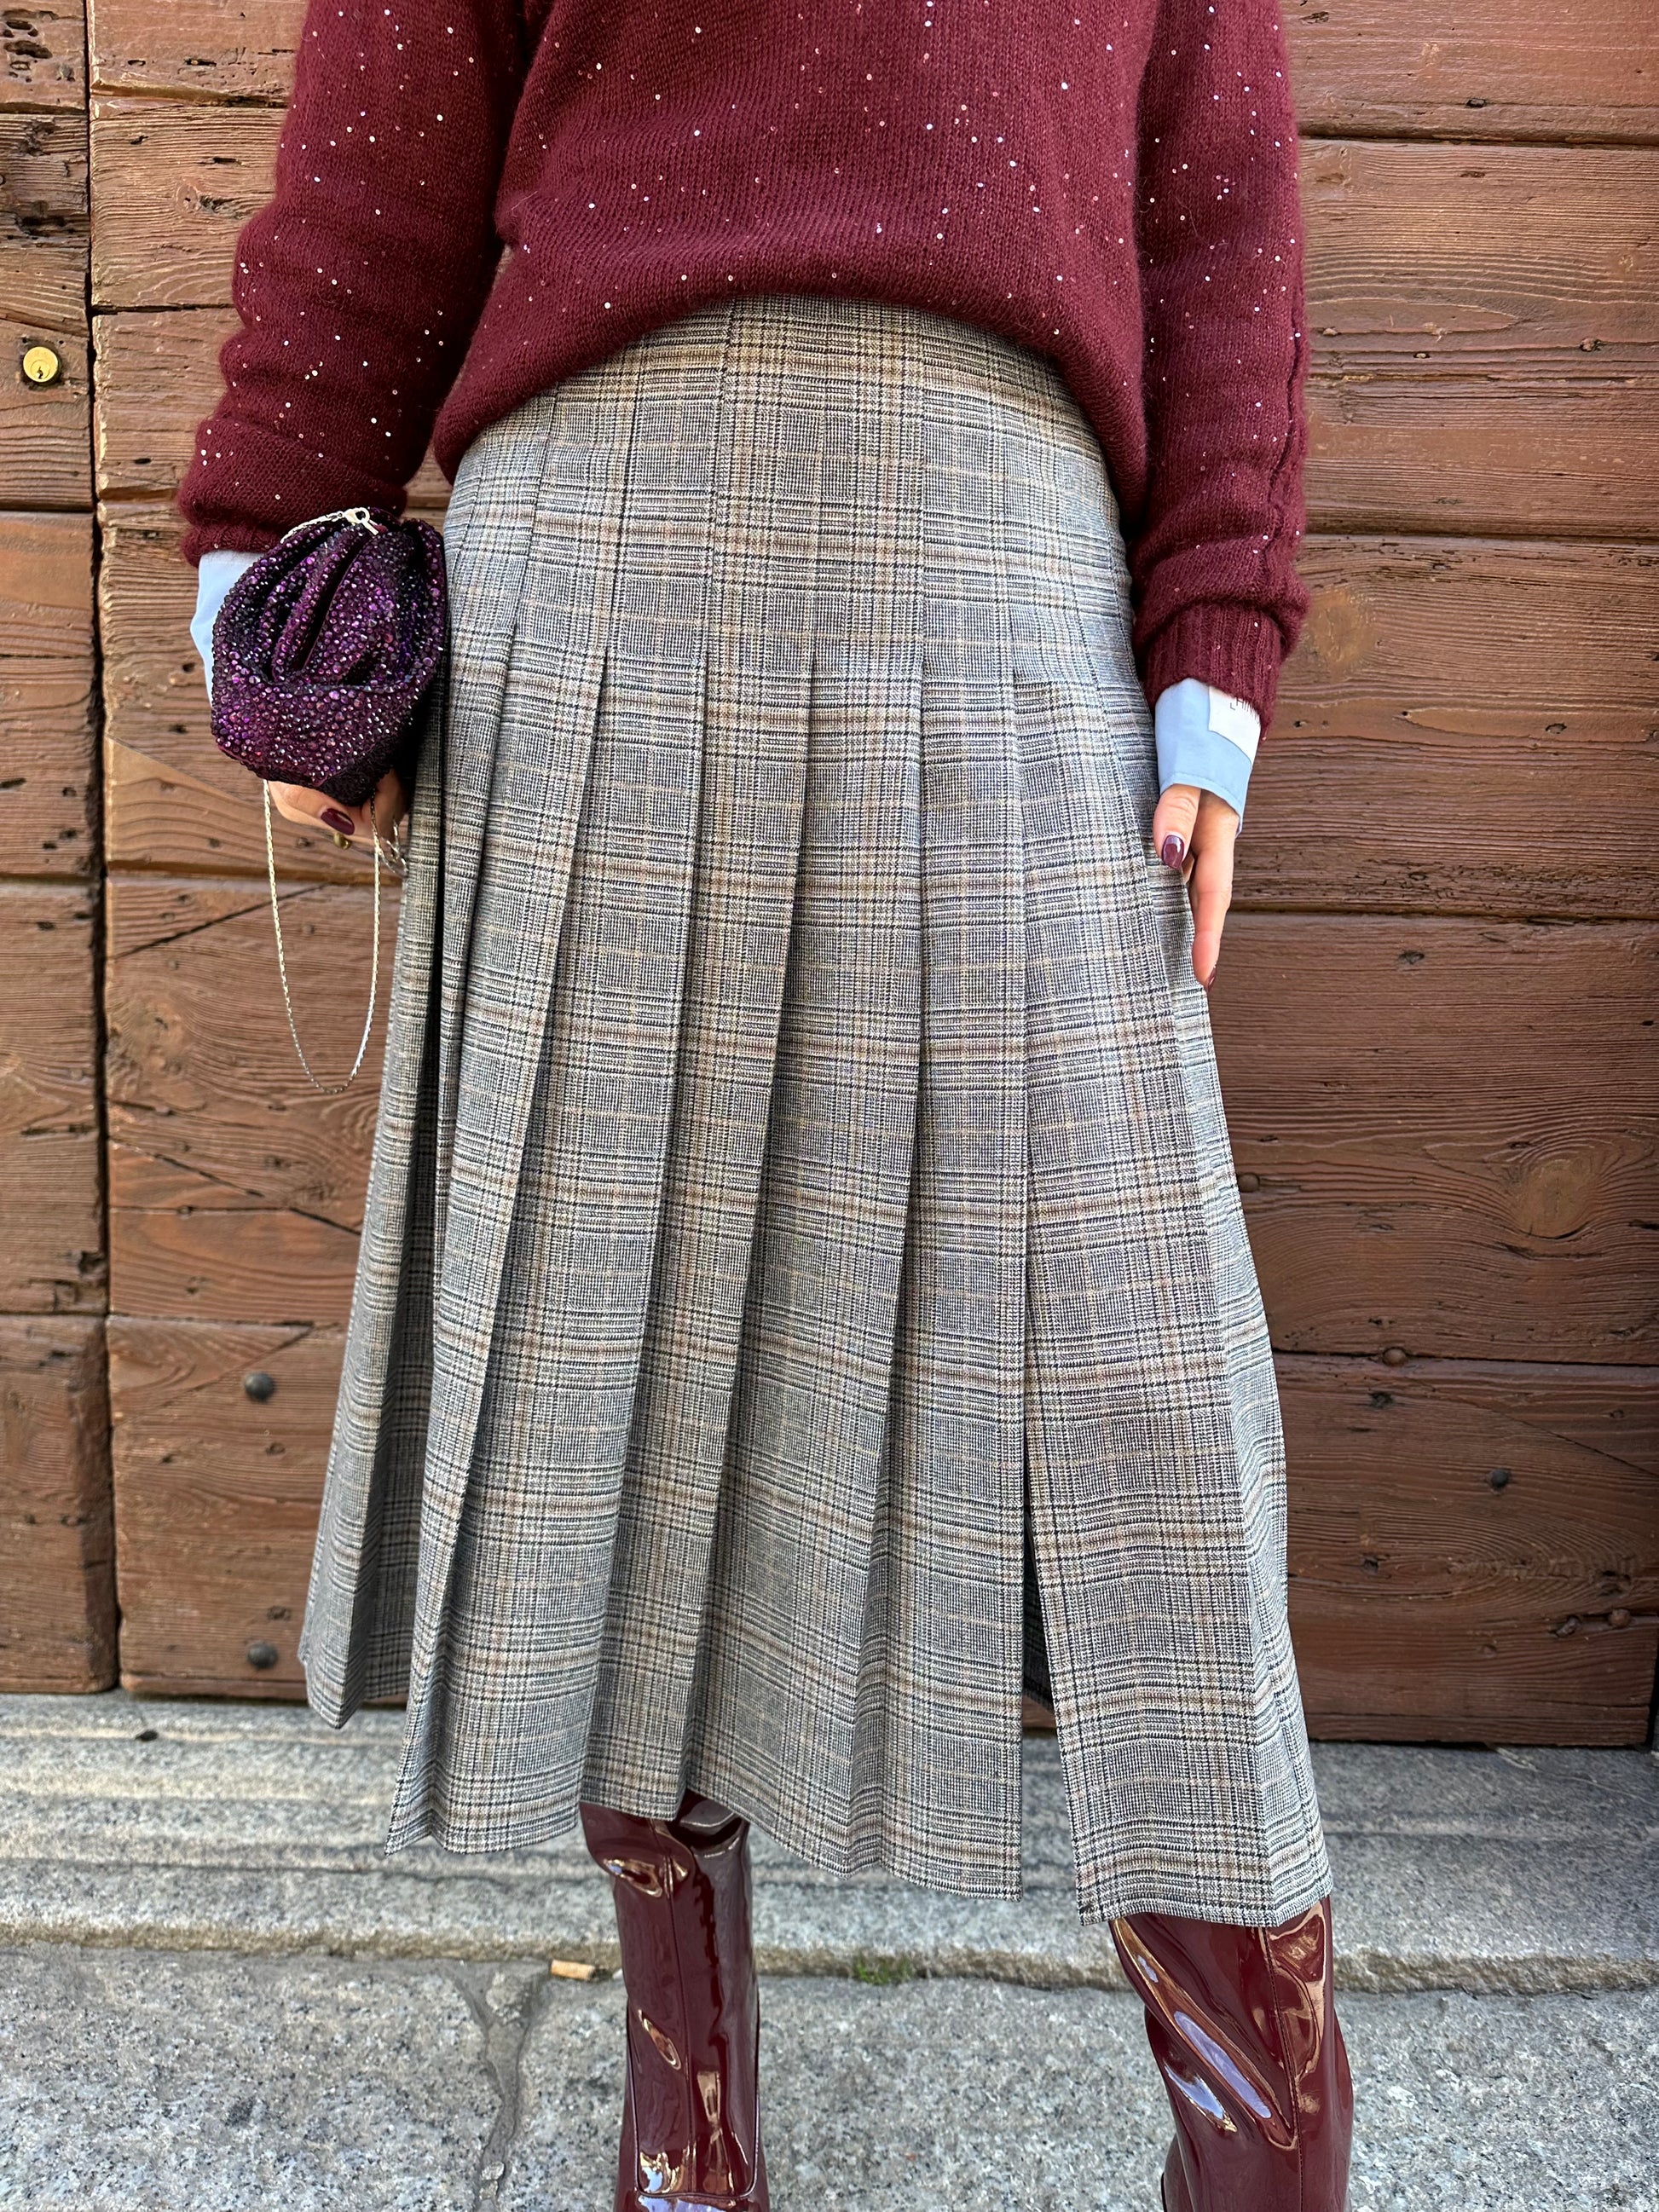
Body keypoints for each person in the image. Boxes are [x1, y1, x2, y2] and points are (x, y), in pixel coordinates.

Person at [178, 3, 1352, 2205]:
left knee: (1148, 1415)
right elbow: (386, 133)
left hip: (1010, 567)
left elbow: (1221, 217)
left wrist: (1217, 637)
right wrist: (268, 557)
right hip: (589, 578)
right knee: (618, 1377)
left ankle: (1269, 2139)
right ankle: (685, 2127)